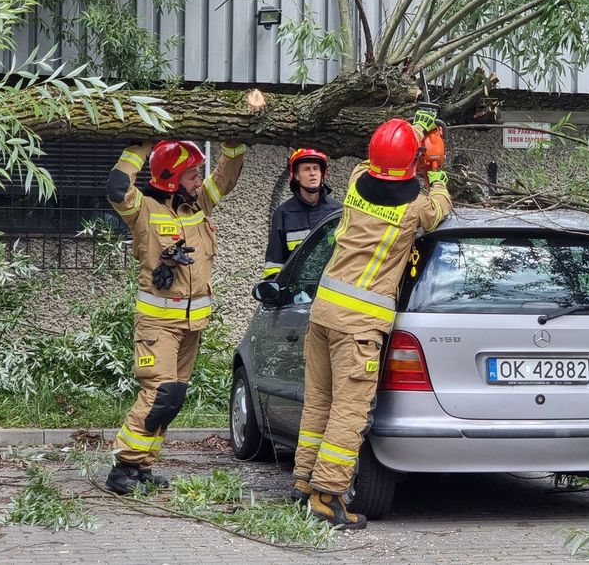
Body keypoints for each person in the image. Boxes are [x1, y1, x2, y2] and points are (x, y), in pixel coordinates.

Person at [292, 112, 450, 530]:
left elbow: (386, 158)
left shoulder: (356, 179)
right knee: (349, 411)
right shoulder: (416, 207)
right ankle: (328, 497)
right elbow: (440, 208)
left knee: (319, 403)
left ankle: (305, 484)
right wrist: (435, 169)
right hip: (359, 326)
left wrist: (414, 132)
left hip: (324, 312)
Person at [102, 90, 263, 494]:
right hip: (158, 323)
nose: (199, 180)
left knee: (172, 399)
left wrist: (235, 132)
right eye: (193, 174)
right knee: (160, 393)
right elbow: (117, 187)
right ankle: (123, 467)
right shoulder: (145, 210)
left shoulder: (198, 206)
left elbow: (228, 174)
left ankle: (142, 467)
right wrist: (142, 144)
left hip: (191, 323)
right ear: (174, 178)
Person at [261, 148, 342, 279]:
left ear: (322, 173)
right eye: (306, 169)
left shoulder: (336, 210)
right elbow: (275, 262)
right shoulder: (284, 213)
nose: (312, 173)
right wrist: (272, 289)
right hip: (296, 292)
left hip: (329, 288)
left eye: (316, 168)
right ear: (296, 175)